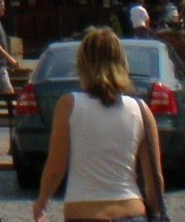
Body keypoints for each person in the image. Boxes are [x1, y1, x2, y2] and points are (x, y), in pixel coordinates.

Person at [31, 26, 163, 222]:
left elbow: (56, 167)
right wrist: (153, 209)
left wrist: (41, 203)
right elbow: (154, 178)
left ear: (82, 64)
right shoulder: (141, 110)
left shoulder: (69, 104)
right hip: (131, 210)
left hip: (85, 212)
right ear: (122, 62)